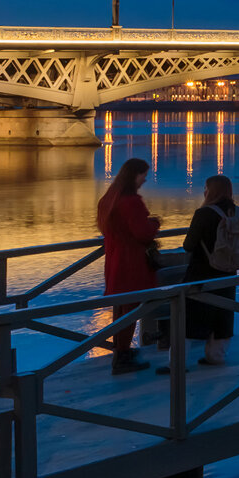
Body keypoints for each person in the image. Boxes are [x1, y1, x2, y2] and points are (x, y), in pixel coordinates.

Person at [97, 158, 160, 374]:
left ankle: (121, 350)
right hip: (131, 262)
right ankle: (122, 357)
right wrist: (155, 224)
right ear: (134, 175)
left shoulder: (108, 199)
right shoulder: (131, 202)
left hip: (114, 260)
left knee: (120, 308)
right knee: (130, 310)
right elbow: (143, 233)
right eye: (143, 174)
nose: (145, 179)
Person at [182, 175, 239, 365]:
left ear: (210, 191)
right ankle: (216, 356)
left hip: (201, 272)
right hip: (228, 271)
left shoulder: (203, 214)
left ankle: (178, 362)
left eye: (205, 187)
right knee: (223, 313)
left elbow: (189, 245)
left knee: (187, 316)